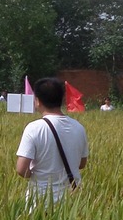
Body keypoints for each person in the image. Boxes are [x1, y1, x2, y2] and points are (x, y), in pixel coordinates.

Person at [15, 76, 90, 206]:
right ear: (61, 99)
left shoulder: (34, 128)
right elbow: (82, 164)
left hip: (40, 201)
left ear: (37, 101)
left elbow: (21, 169)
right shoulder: (79, 127)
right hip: (71, 202)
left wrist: (39, 176)